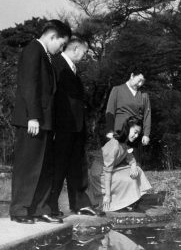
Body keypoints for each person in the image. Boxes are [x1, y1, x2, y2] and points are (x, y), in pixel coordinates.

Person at [10, 20, 72, 224]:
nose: (61, 49)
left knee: (43, 167)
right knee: (28, 165)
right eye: (61, 44)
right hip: (33, 120)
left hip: (44, 121)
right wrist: (33, 116)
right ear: (52, 36)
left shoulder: (46, 55)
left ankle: (39, 208)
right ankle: (20, 210)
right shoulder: (33, 50)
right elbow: (29, 85)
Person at [48, 37, 96, 216]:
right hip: (61, 126)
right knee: (58, 167)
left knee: (78, 167)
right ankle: (51, 206)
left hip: (76, 127)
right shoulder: (56, 64)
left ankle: (80, 204)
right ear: (75, 49)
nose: (84, 56)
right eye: (84, 52)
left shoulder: (72, 69)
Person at [86, 116, 152, 212]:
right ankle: (120, 201)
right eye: (135, 132)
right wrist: (107, 196)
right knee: (129, 179)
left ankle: (130, 200)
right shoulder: (115, 145)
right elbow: (107, 172)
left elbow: (130, 157)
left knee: (137, 171)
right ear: (128, 128)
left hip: (110, 171)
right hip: (100, 175)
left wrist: (133, 166)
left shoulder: (125, 143)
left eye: (138, 133)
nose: (136, 136)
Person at [106, 67, 151, 150]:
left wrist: (146, 134)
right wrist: (110, 131)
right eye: (139, 80)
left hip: (135, 136)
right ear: (132, 75)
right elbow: (110, 111)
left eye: (143, 82)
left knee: (134, 161)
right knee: (116, 159)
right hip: (119, 133)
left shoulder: (144, 95)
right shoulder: (117, 90)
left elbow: (147, 116)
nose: (140, 84)